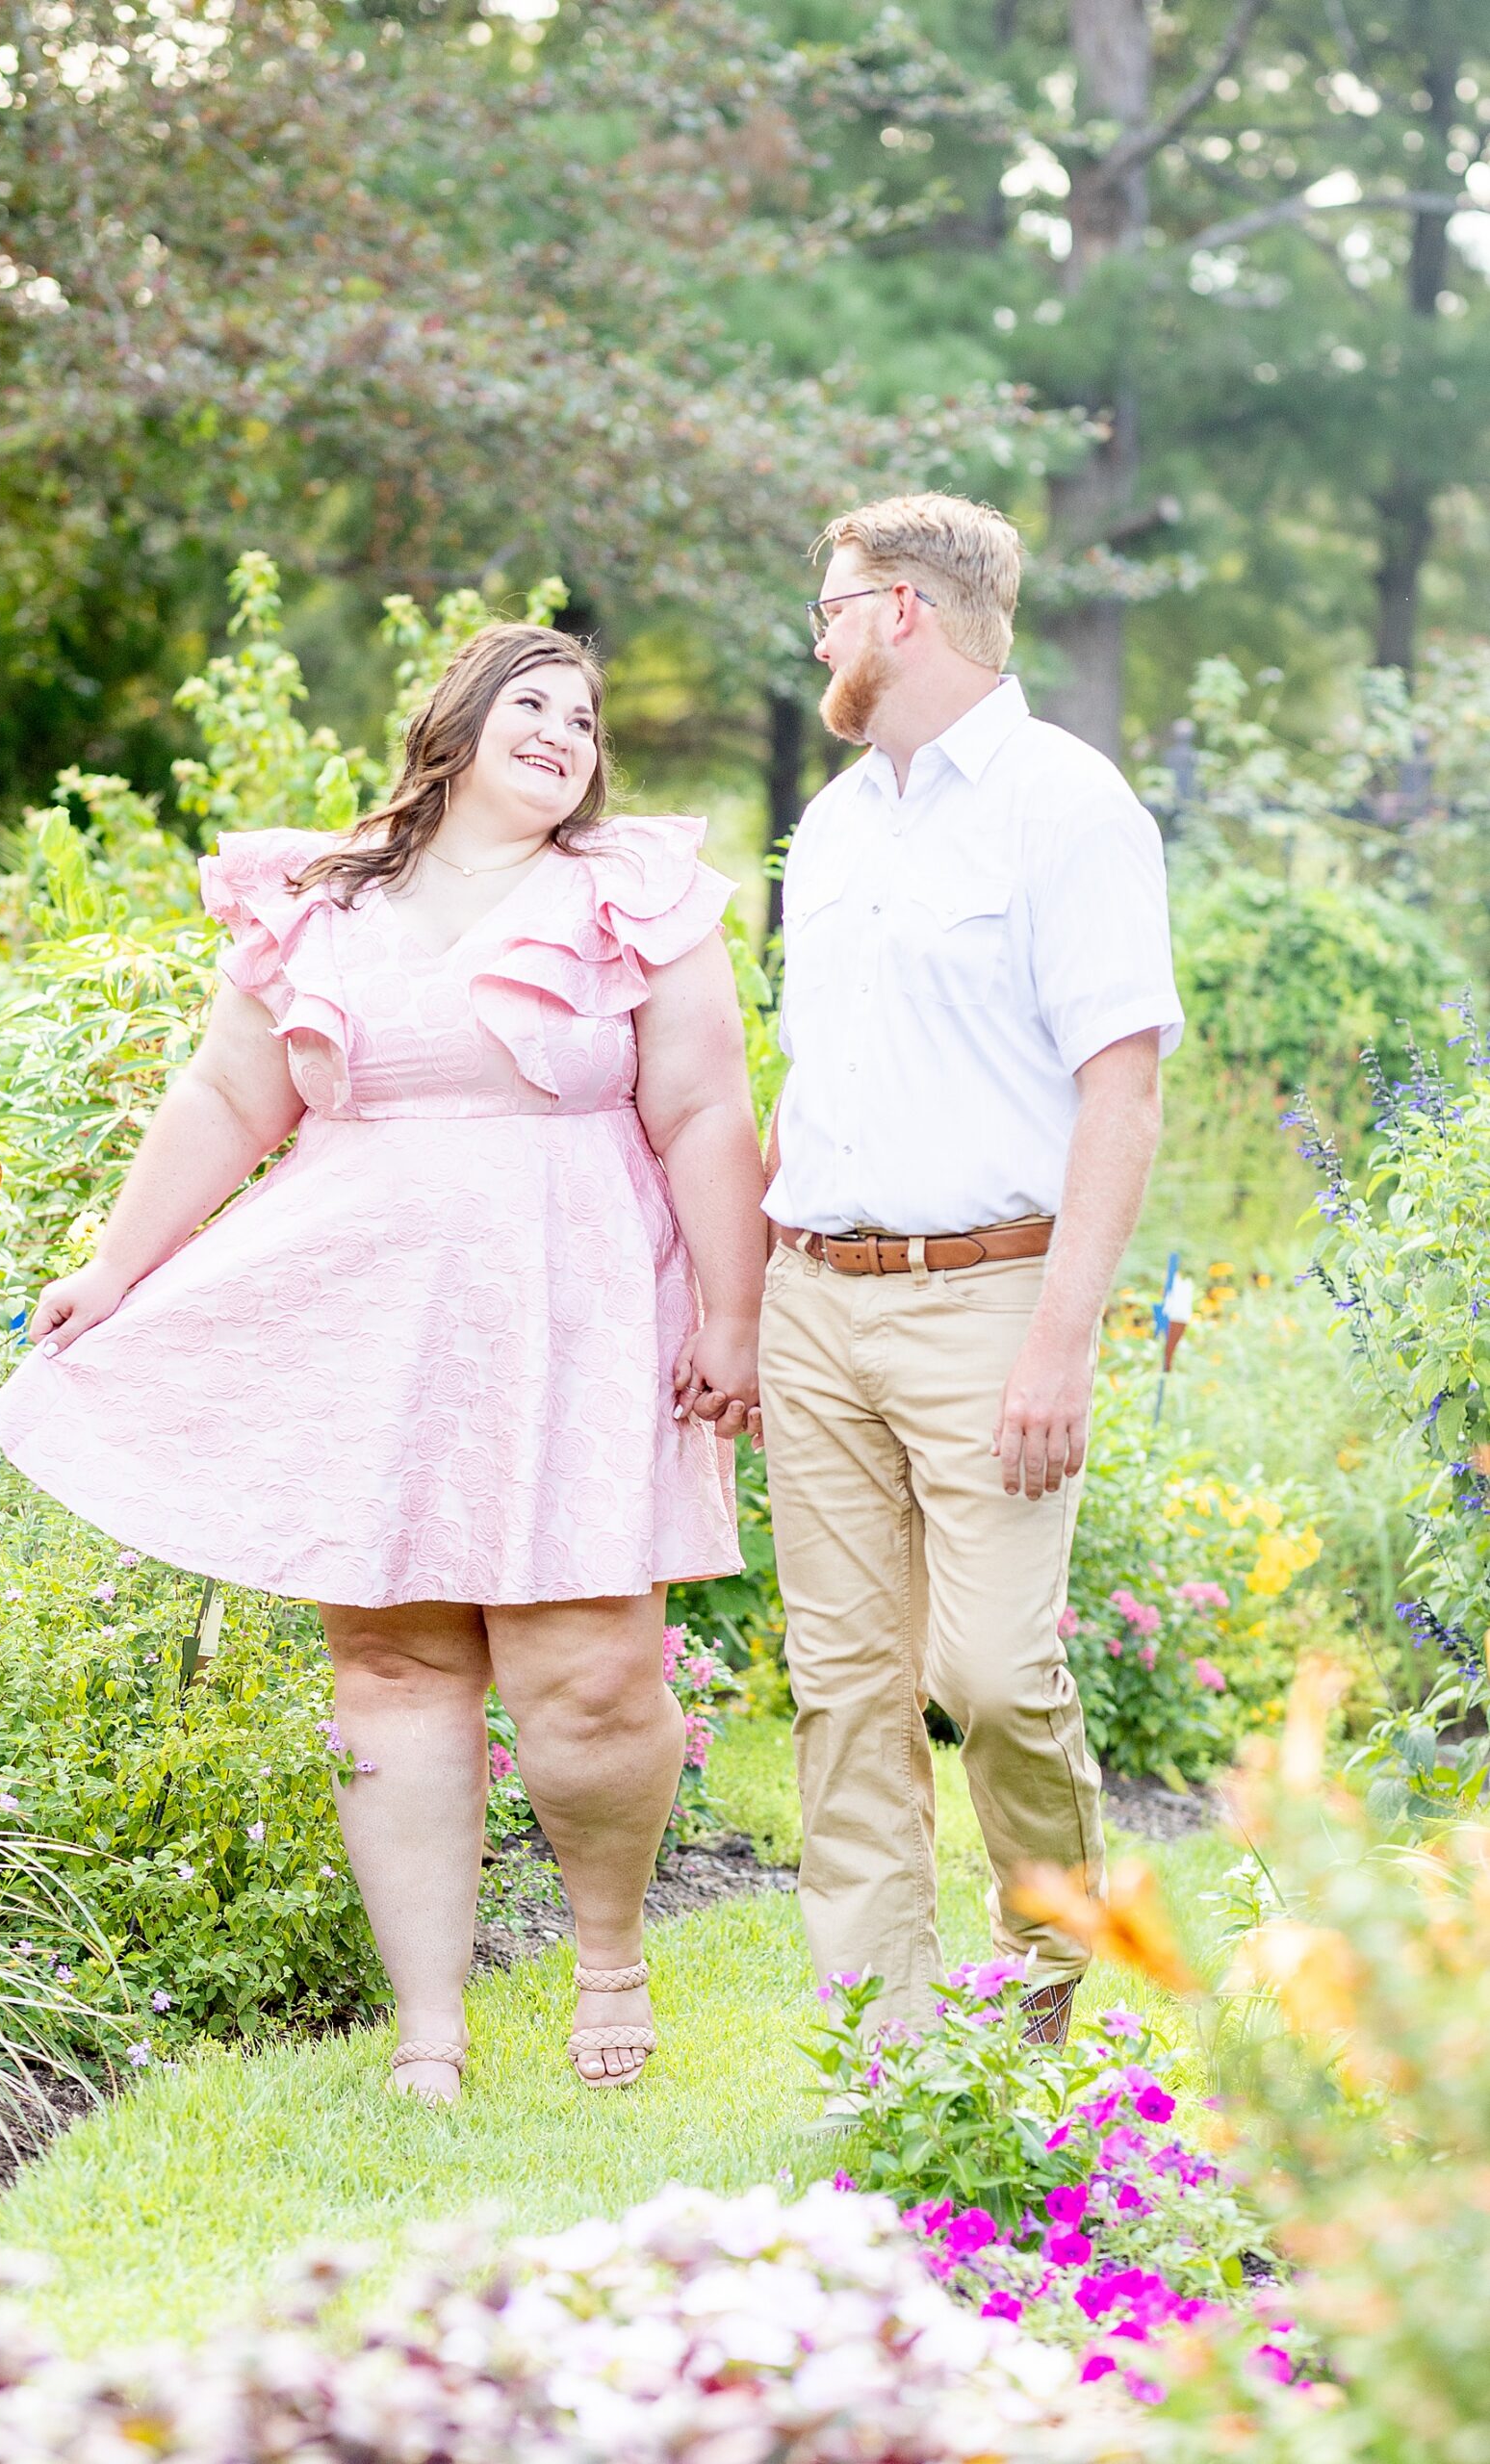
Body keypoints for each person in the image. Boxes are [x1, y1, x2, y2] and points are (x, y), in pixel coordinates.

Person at [0, 621, 767, 2102]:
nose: (565, 732)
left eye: (587, 719)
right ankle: (431, 2027)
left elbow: (709, 1107)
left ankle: (610, 1956)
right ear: (457, 723)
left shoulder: (631, 895)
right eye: (533, 703)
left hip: (580, 1299)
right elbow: (229, 1093)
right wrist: (113, 1263)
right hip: (369, 1309)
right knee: (392, 1658)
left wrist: (734, 1317)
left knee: (586, 1667)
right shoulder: (321, 896)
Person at [758, 492, 1183, 2050]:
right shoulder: (842, 820)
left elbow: (1122, 1095)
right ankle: (888, 2059)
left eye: (830, 604)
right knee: (844, 1693)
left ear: (903, 613)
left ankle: (1037, 2008)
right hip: (815, 1297)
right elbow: (809, 1080)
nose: (817, 634)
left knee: (997, 1678)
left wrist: (1060, 1344)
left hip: (992, 1299)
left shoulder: (1071, 807)